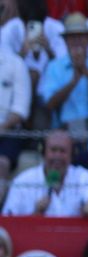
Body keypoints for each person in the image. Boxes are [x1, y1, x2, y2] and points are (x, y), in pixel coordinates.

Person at [37, 13, 88, 130]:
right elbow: (49, 103)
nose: (77, 41)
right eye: (72, 37)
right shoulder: (54, 67)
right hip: (65, 128)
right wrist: (74, 81)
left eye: (81, 36)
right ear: (65, 41)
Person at [2, 126, 88, 216]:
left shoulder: (83, 176)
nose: (57, 156)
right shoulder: (22, 181)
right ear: (43, 152)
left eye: (62, 151)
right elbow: (8, 222)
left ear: (72, 155)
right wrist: (35, 214)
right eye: (53, 150)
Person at [0, 46, 32, 197]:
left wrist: (3, 127)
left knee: (1, 164)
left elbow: (21, 109)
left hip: (9, 130)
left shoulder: (15, 63)